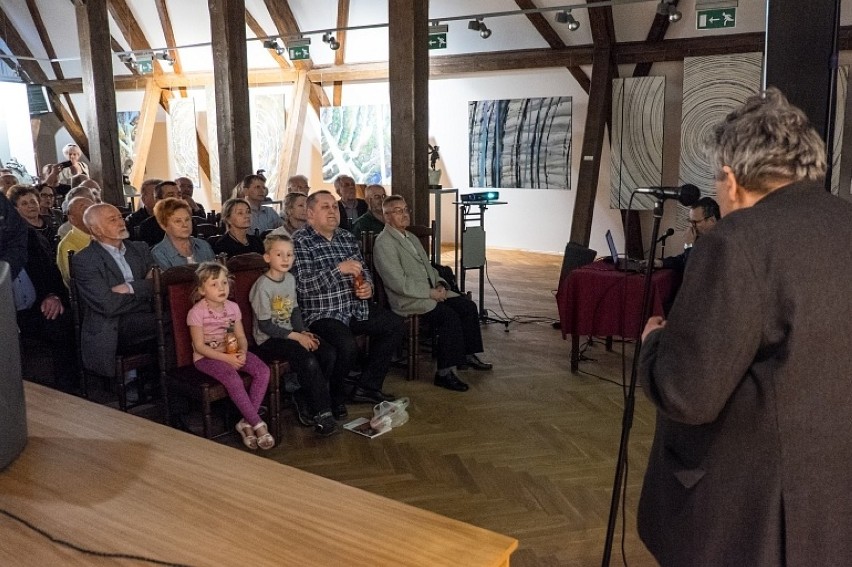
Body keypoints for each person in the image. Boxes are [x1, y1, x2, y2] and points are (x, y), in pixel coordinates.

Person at [637, 87, 852, 566]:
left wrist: (653, 344)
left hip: (753, 513)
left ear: (731, 179)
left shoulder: (737, 241)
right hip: (833, 492)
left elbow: (688, 394)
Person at [291, 190, 405, 405]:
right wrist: (338, 270)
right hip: (322, 313)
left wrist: (368, 287)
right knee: (346, 345)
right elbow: (303, 286)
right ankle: (333, 396)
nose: (333, 211)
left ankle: (367, 386)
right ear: (310, 214)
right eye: (325, 207)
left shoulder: (346, 237)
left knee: (395, 325)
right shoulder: (300, 241)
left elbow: (364, 272)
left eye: (334, 206)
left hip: (354, 306)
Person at [374, 195, 492, 392]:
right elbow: (397, 282)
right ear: (386, 216)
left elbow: (428, 267)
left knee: (467, 306)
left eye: (405, 210)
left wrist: (440, 283)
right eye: (398, 211)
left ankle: (467, 355)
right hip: (408, 299)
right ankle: (444, 373)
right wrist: (430, 293)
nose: (404, 214)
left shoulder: (410, 236)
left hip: (430, 291)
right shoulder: (384, 243)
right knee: (448, 317)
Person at [250, 234, 339, 436]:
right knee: (307, 360)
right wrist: (297, 337)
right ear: (267, 257)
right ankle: (323, 412)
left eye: (289, 254)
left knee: (327, 351)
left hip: (291, 333)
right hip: (269, 340)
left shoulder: (290, 279)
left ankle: (304, 394)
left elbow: (295, 309)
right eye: (279, 254)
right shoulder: (262, 286)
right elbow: (266, 326)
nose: (285, 259)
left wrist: (303, 332)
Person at [187, 261, 274, 450]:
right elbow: (200, 347)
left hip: (232, 352)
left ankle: (245, 422)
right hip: (207, 358)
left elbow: (241, 336)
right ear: (202, 290)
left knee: (263, 371)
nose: (221, 288)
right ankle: (258, 424)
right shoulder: (196, 312)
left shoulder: (233, 308)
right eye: (214, 284)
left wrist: (242, 351)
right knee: (232, 378)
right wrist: (227, 359)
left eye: (224, 282)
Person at [71, 203, 158, 381]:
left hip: (144, 316)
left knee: (179, 321)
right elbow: (108, 305)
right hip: (114, 325)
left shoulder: (139, 248)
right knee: (174, 322)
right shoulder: (85, 260)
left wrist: (130, 287)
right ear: (96, 229)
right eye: (113, 220)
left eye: (120, 217)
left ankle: (162, 382)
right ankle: (172, 385)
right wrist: (144, 290)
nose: (121, 222)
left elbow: (159, 283)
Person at [9, 185, 78, 392]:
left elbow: (50, 271)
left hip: (34, 306)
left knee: (61, 321)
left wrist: (53, 295)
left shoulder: (28, 237)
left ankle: (67, 392)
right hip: (6, 314)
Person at [649, 196, 720, 272]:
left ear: (712, 220)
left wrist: (689, 245)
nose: (691, 226)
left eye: (695, 222)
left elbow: (693, 271)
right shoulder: (703, 237)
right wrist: (662, 263)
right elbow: (683, 259)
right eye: (690, 221)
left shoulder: (725, 241)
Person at [151, 198, 215, 269]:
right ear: (163, 226)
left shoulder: (203, 246)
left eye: (187, 219)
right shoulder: (159, 253)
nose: (185, 225)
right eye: (178, 221)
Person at [56, 196, 95, 287]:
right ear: (72, 219)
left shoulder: (104, 235)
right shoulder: (68, 244)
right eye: (85, 209)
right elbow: (80, 281)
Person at [137, 180, 182, 246]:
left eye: (179, 195)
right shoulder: (148, 226)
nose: (177, 198)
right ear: (159, 201)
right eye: (171, 195)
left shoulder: (189, 220)